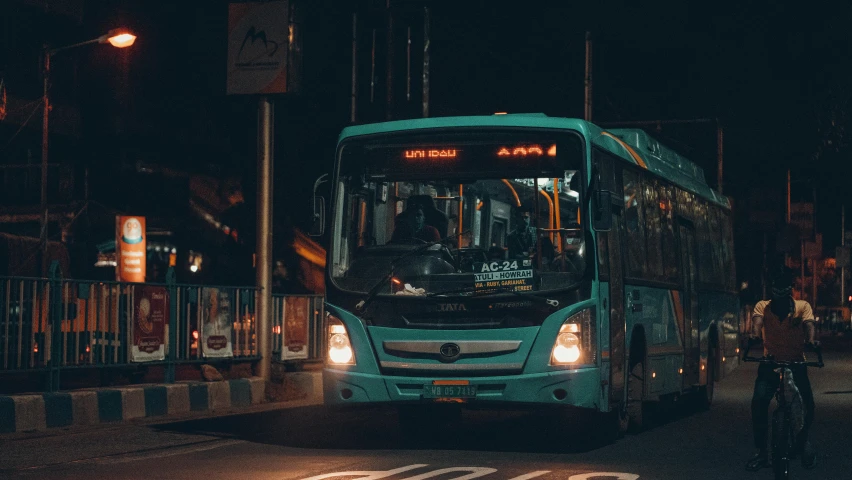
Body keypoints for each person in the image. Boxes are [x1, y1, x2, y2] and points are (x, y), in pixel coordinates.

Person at [745, 266, 819, 471]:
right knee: (758, 403)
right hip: (770, 365)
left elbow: (809, 325)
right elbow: (757, 324)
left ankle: (803, 442)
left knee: (809, 406)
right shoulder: (763, 307)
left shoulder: (803, 307)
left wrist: (812, 341)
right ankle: (761, 452)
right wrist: (754, 336)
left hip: (797, 364)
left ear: (790, 289)